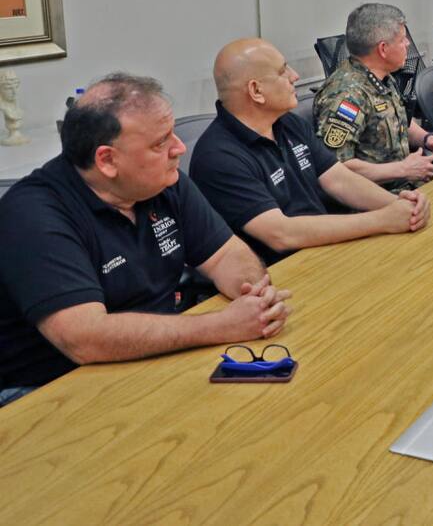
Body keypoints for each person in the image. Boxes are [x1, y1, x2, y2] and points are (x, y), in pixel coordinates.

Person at [0, 73, 292, 406]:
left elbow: (226, 253)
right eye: (161, 142)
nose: (180, 148)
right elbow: (84, 338)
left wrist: (254, 296)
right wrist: (222, 325)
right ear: (107, 160)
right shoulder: (33, 214)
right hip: (54, 392)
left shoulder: (163, 182)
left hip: (160, 358)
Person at [189, 39, 430, 266]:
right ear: (256, 91)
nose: (295, 76)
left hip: (325, 251)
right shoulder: (218, 157)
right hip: (281, 272)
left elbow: (339, 180)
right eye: (283, 71)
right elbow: (281, 234)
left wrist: (401, 206)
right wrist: (383, 220)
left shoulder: (288, 124)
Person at [314, 3, 433, 192]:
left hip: (408, 186)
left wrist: (428, 139)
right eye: (402, 40)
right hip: (374, 200)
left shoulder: (383, 78)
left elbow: (400, 122)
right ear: (383, 49)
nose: (408, 45)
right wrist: (403, 169)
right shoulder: (347, 95)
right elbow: (336, 169)